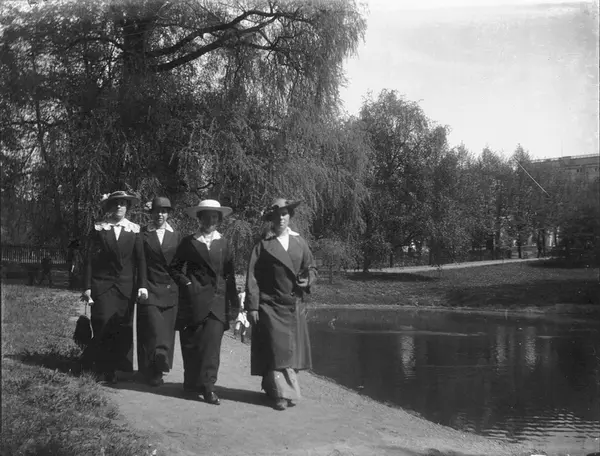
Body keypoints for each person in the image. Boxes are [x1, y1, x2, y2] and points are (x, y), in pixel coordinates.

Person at [246, 198, 317, 411]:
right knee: (277, 350)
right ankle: (282, 395)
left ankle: (273, 388)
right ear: (272, 219)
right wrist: (252, 305)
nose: (281, 219)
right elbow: (252, 276)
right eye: (277, 216)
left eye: (284, 214)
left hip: (293, 304)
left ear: (290, 216)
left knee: (288, 352)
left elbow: (311, 267)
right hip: (270, 305)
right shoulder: (263, 244)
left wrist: (308, 279)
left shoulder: (300, 242)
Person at [172, 199, 237, 405]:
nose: (210, 221)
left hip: (217, 302)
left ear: (219, 219)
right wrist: (187, 283)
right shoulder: (188, 242)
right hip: (194, 300)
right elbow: (174, 268)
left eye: (214, 217)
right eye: (206, 217)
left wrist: (235, 304)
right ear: (199, 219)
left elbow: (230, 275)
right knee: (192, 343)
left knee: (212, 347)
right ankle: (191, 383)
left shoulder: (224, 243)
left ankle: (209, 387)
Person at [81, 190, 148, 384]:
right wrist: (87, 286)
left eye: (123, 203)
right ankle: (102, 367)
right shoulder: (98, 229)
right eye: (116, 203)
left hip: (125, 287)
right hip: (102, 286)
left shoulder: (134, 230)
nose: (119, 206)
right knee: (101, 324)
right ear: (110, 206)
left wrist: (142, 285)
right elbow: (89, 260)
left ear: (128, 207)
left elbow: (140, 260)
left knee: (122, 328)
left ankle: (120, 369)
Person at [138, 197, 184, 386]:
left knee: (166, 332)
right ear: (151, 213)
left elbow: (181, 265)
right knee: (152, 330)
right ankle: (150, 369)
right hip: (150, 287)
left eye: (164, 211)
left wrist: (183, 286)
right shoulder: (143, 234)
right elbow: (141, 261)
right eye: (157, 211)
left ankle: (159, 367)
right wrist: (142, 285)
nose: (160, 215)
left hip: (171, 289)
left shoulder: (177, 236)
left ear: (168, 214)